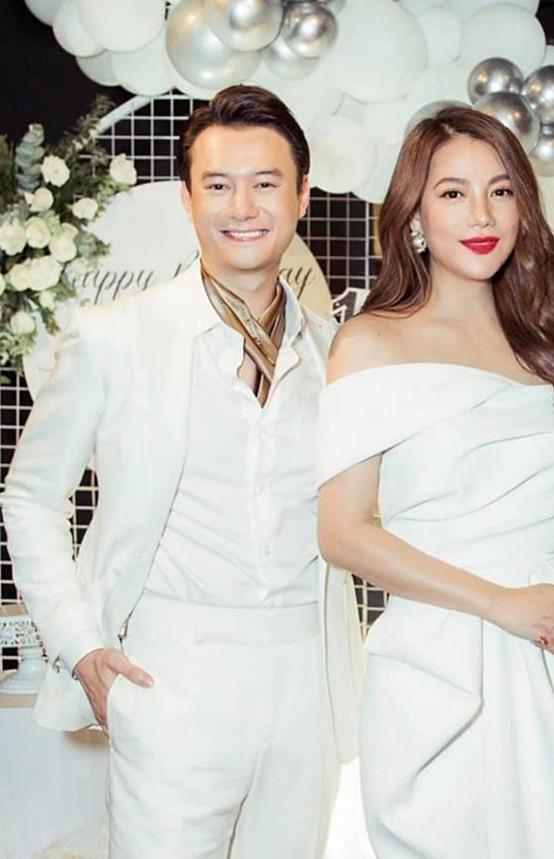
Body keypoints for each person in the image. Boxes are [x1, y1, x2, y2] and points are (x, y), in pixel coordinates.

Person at [1, 85, 363, 859]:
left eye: (265, 183)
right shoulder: (115, 337)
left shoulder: (336, 351)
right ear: (186, 198)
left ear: (301, 195)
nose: (242, 207)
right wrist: (78, 643)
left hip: (308, 683)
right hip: (172, 674)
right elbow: (30, 495)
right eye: (218, 184)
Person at [317, 107, 554, 858]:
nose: (481, 214)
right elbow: (342, 533)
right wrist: (499, 603)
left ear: (523, 208)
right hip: (439, 669)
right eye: (452, 193)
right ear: (414, 215)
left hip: (550, 667)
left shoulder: (544, 345)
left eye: (500, 191)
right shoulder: (371, 342)